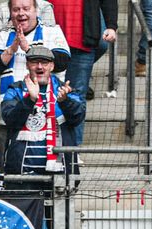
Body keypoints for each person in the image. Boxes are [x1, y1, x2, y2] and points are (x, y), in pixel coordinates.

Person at [0, 0, 70, 163]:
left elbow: (62, 61)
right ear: (10, 13)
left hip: (48, 114)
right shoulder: (3, 36)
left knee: (46, 163)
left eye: (26, 8)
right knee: (9, 163)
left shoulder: (52, 32)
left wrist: (28, 50)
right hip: (11, 111)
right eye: (16, 9)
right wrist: (11, 49)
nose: (21, 13)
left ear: (36, 10)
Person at [0, 44, 84, 183]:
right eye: (34, 62)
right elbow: (10, 120)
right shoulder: (15, 90)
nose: (40, 67)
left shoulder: (66, 91)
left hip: (60, 172)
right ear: (27, 65)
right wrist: (29, 100)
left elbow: (77, 118)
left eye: (44, 62)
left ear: (52, 66)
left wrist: (65, 102)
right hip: (22, 173)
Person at [50, 0, 118, 145]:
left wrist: (112, 26)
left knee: (77, 97)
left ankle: (74, 149)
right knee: (46, 94)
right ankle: (46, 146)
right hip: (48, 42)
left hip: (81, 41)